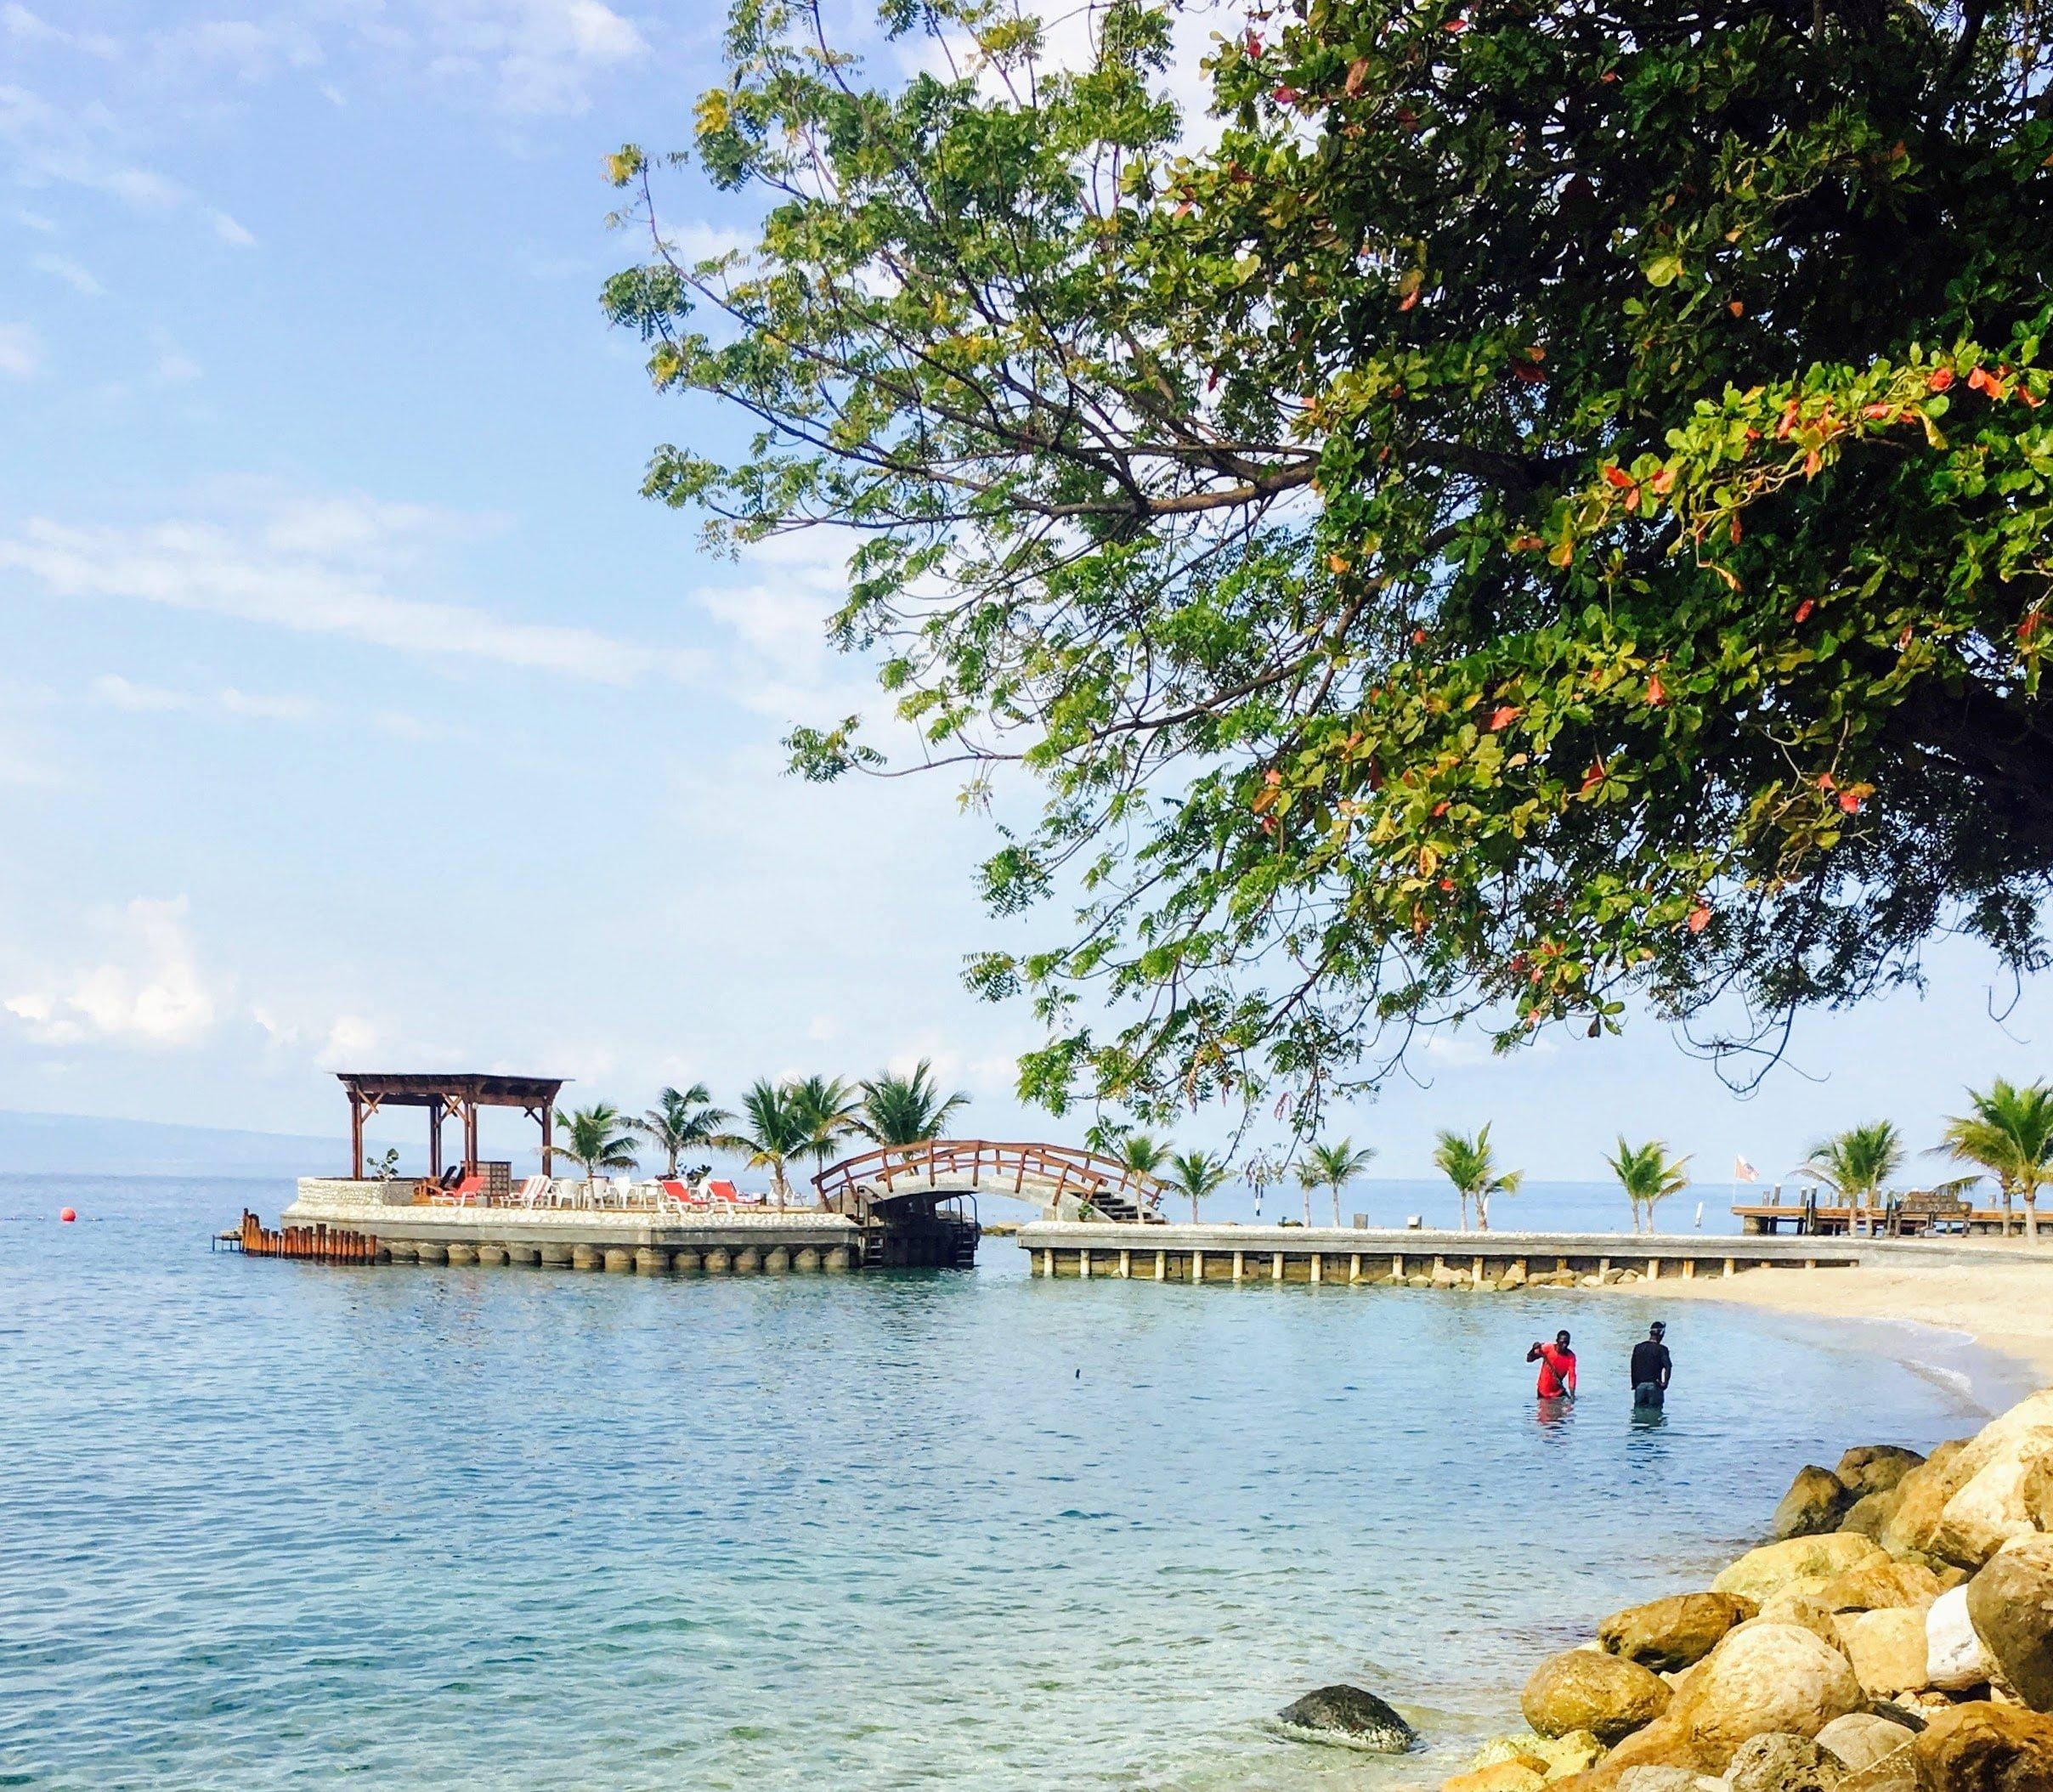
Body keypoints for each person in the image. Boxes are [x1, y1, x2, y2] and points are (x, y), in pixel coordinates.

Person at [1632, 1321, 1672, 1409]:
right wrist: (1665, 1384)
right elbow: (1668, 1367)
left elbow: (1633, 1367)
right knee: (1655, 1416)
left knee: (1639, 1415)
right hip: (1655, 1387)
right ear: (1661, 1334)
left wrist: (1635, 1385)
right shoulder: (1662, 1349)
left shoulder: (1638, 1348)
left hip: (1639, 1387)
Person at [1527, 1330, 1577, 1400]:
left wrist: (1572, 1395)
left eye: (1567, 1342)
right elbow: (1529, 1359)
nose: (1565, 1345)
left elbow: (1572, 1377)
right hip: (1543, 1392)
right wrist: (1533, 1350)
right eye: (1562, 1342)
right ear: (1557, 1340)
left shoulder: (1571, 1357)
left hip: (1559, 1392)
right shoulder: (1547, 1348)